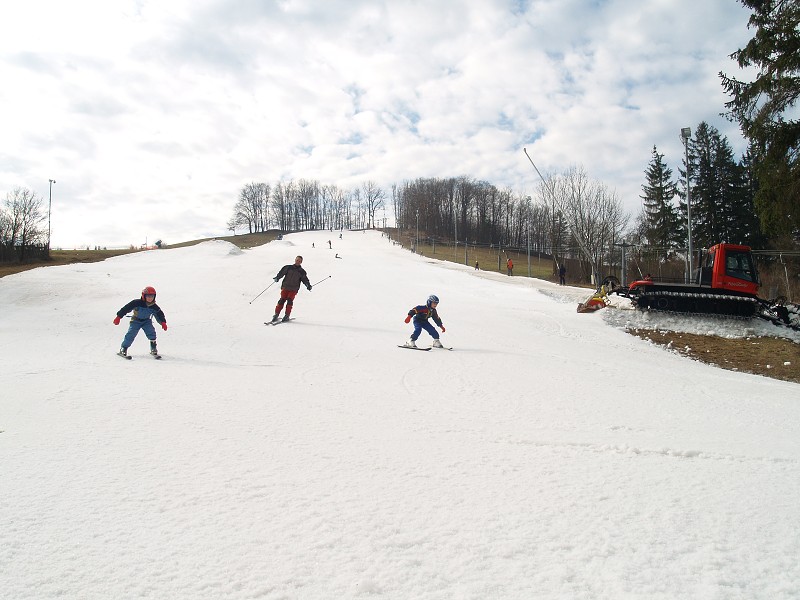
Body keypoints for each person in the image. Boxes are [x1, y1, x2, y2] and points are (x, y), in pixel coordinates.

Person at [113, 286, 167, 357]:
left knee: (151, 333)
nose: (150, 298)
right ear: (144, 296)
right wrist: (119, 317)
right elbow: (126, 308)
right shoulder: (136, 303)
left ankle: (153, 348)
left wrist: (163, 322)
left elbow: (159, 315)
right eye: (148, 296)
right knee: (131, 334)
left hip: (146, 321)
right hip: (136, 321)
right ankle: (124, 348)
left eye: (152, 296)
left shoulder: (154, 307)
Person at [271, 255, 311, 322]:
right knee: (282, 300)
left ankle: (287, 315)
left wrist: (308, 285)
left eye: (299, 261)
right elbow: (281, 273)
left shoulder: (302, 271)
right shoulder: (288, 267)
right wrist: (277, 278)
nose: (297, 261)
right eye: (297, 260)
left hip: (293, 289)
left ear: (301, 262)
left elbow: (305, 279)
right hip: (285, 287)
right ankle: (276, 314)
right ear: (295, 260)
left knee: (289, 301)